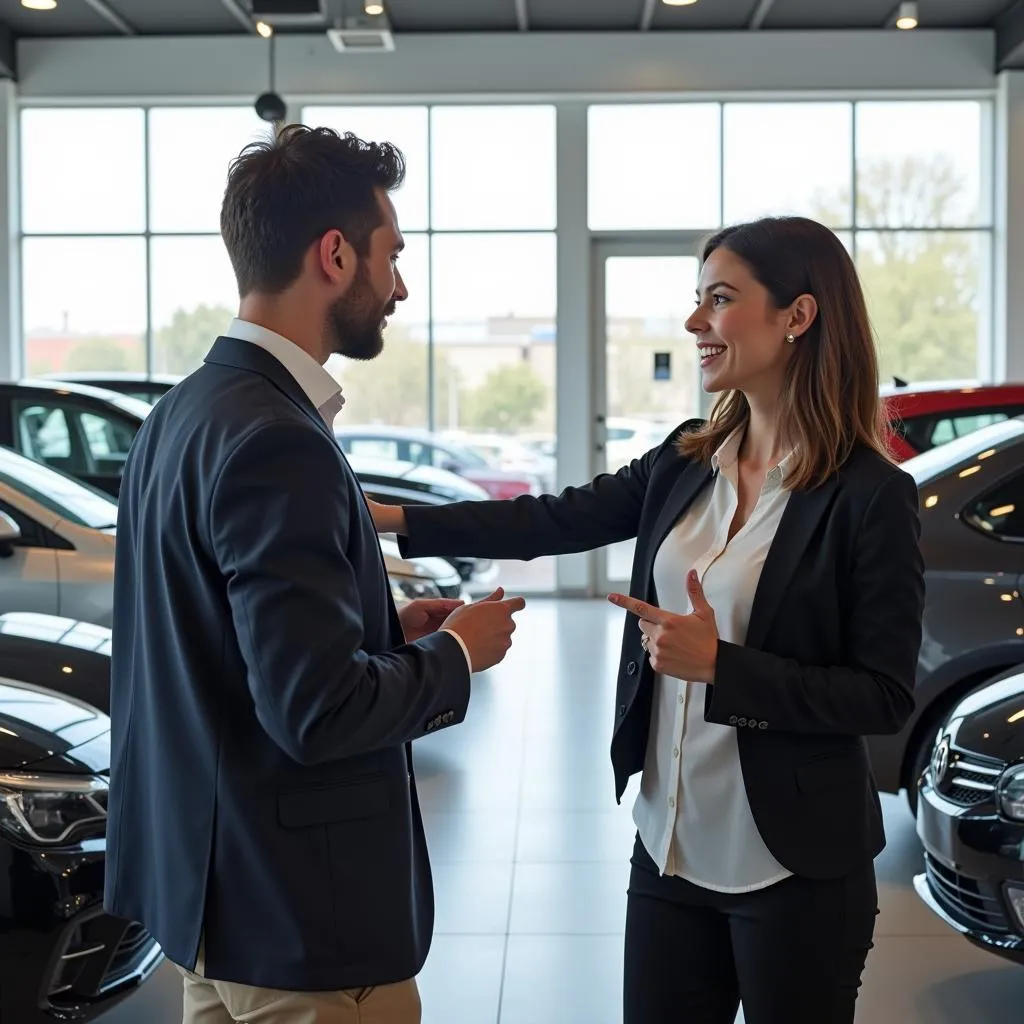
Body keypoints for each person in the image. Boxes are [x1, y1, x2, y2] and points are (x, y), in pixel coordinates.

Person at [368, 216, 924, 1024]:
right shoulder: (687, 458)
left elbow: (882, 696)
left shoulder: (871, 494)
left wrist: (723, 668)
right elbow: (553, 520)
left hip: (794, 867)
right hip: (667, 848)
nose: (696, 324)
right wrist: (395, 519)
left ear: (798, 316)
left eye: (721, 301)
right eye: (697, 302)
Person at [104, 125, 525, 1024]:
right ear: (334, 255)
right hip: (303, 923)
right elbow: (315, 710)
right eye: (392, 255)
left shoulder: (180, 413)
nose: (401, 285)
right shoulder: (278, 438)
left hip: (207, 906)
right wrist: (455, 655)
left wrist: (383, 631)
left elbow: (213, 651)